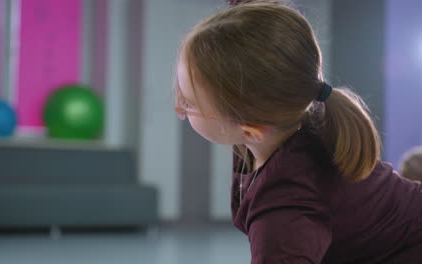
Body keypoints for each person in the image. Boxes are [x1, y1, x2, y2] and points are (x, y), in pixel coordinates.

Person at [173, 0, 422, 263]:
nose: (178, 105)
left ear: (251, 129)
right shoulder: (284, 116)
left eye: (189, 103)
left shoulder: (285, 209)